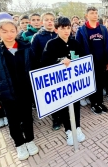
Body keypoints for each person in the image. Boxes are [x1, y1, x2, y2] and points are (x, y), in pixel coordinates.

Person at [0, 19, 39, 161]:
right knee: (13, 120)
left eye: (12, 31)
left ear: (17, 31)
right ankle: (19, 143)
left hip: (25, 91)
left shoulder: (26, 48)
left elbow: (35, 68)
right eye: (4, 31)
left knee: (27, 117)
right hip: (7, 94)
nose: (9, 34)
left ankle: (30, 140)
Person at [41, 16, 86, 146]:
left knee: (76, 105)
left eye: (68, 27)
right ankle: (68, 130)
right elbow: (45, 62)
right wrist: (59, 62)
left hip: (74, 82)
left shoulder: (75, 43)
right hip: (60, 84)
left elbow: (82, 58)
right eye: (62, 28)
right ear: (56, 29)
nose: (66, 31)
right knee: (65, 107)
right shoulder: (51, 44)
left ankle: (77, 127)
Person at [76, 7, 108, 114]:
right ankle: (94, 104)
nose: (95, 15)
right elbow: (78, 47)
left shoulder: (102, 29)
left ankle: (100, 102)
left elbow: (107, 45)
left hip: (101, 60)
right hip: (89, 62)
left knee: (100, 83)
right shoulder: (82, 30)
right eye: (92, 13)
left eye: (96, 13)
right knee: (92, 83)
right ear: (87, 15)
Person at [30, 12, 59, 130]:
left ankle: (64, 115)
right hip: (47, 71)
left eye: (52, 19)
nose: (50, 21)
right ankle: (55, 118)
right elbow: (33, 56)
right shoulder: (37, 37)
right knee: (53, 97)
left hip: (61, 69)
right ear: (43, 22)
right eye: (47, 19)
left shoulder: (59, 33)